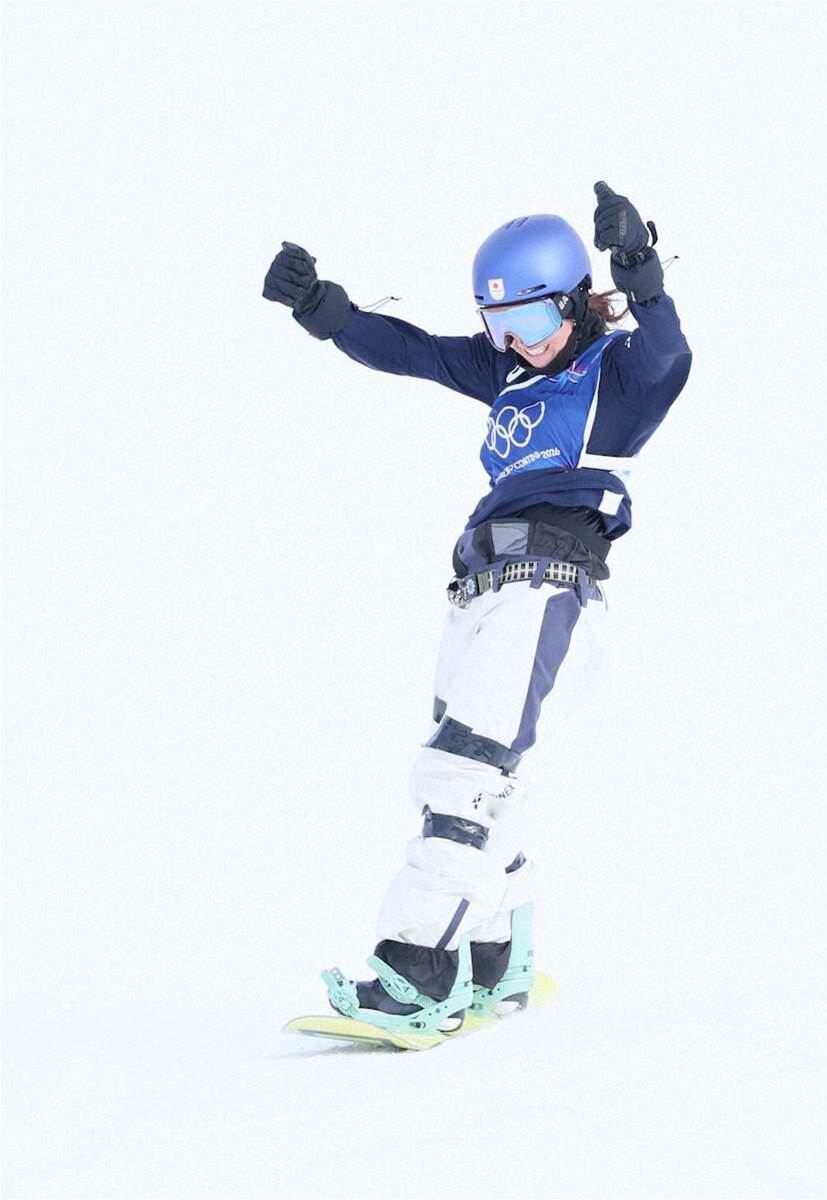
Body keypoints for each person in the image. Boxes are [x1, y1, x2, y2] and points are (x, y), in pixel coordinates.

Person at [263, 181, 692, 1036]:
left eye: (530, 320)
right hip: (483, 588)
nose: (515, 343)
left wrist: (637, 269)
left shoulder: (617, 377)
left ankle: (417, 972)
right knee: (479, 774)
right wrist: (321, 309)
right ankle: (495, 960)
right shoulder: (508, 370)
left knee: (464, 775)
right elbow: (413, 350)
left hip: (548, 583)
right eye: (499, 326)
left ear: (573, 301)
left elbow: (668, 351)